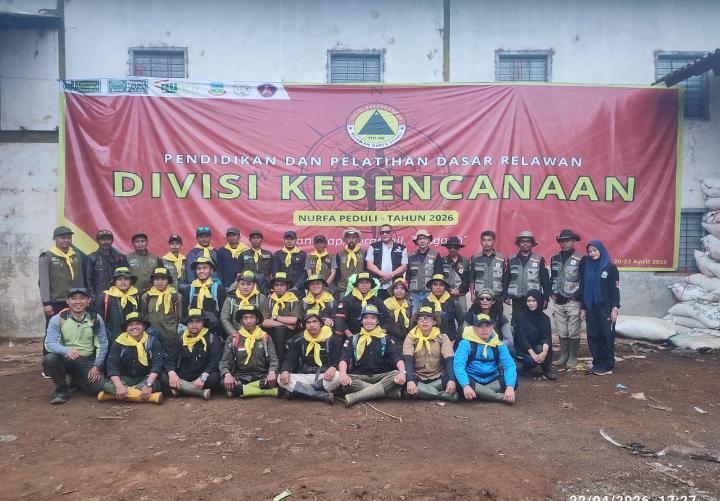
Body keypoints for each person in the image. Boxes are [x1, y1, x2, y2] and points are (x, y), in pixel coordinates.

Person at [43, 287, 108, 404]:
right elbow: (50, 343)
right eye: (73, 298)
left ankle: (77, 381)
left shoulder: (95, 318)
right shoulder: (58, 319)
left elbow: (103, 344)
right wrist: (66, 350)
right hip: (66, 357)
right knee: (50, 359)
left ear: (88, 301)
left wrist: (97, 365)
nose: (78, 302)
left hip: (87, 359)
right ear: (67, 301)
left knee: (98, 388)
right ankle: (61, 390)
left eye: (82, 298)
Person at [338, 304, 406, 407]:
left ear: (377, 321)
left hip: (381, 377)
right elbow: (344, 359)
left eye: (373, 318)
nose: (369, 321)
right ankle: (387, 393)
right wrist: (343, 374)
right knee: (346, 383)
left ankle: (355, 396)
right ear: (361, 321)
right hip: (360, 377)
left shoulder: (385, 338)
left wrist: (402, 372)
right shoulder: (353, 339)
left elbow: (397, 358)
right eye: (366, 318)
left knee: (396, 374)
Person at [278, 309, 343, 404]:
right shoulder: (299, 339)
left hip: (324, 376)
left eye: (314, 321)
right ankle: (320, 395)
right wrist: (285, 370)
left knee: (338, 376)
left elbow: (338, 358)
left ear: (321, 323)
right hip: (305, 376)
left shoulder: (332, 338)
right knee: (280, 378)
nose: (311, 325)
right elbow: (289, 359)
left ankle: (299, 392)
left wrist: (333, 367)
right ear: (304, 325)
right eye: (308, 322)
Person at [97, 312, 164, 404]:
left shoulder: (152, 341)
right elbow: (112, 366)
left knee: (155, 384)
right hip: (125, 378)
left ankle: (112, 395)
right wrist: (119, 385)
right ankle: (151, 397)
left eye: (138, 324)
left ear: (144, 326)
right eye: (130, 325)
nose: (134, 327)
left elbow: (157, 365)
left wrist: (148, 384)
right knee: (107, 386)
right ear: (126, 328)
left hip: (145, 378)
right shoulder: (119, 342)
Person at [454, 313, 517, 404]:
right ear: (474, 328)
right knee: (458, 381)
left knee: (514, 381)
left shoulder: (499, 344)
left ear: (492, 327)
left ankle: (479, 394)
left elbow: (509, 365)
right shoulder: (465, 343)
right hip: (472, 379)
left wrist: (510, 387)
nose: (484, 330)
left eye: (487, 326)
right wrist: (465, 385)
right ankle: (499, 397)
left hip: (492, 379)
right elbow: (458, 365)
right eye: (480, 326)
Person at [219, 304, 279, 398]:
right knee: (223, 382)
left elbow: (273, 359)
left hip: (262, 376)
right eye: (245, 318)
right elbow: (225, 361)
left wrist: (272, 372)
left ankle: (242, 390)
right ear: (241, 321)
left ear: (257, 320)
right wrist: (227, 374)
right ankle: (266, 392)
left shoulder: (265, 337)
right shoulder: (233, 338)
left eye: (252, 317)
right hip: (241, 376)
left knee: (277, 379)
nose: (248, 321)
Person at [163, 308, 222, 400]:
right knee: (163, 376)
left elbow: (215, 361)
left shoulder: (211, 338)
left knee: (215, 379)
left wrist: (202, 377)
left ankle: (181, 389)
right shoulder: (181, 338)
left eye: (198, 321)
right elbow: (170, 359)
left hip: (203, 374)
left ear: (203, 323)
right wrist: (172, 373)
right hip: (184, 375)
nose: (194, 325)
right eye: (191, 322)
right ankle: (199, 392)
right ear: (186, 323)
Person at [581, 240, 620, 376]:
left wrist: (615, 308)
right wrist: (583, 308)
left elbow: (615, 290)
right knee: (593, 336)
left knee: (606, 336)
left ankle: (607, 364)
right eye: (590, 251)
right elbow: (584, 288)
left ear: (601, 250)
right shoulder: (588, 267)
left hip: (605, 308)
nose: (592, 253)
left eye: (595, 250)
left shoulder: (610, 267)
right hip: (591, 307)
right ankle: (597, 362)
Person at [403, 306, 457, 402]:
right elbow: (408, 360)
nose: (424, 321)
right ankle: (441, 395)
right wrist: (410, 380)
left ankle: (422, 392)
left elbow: (449, 360)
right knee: (404, 383)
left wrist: (452, 380)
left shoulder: (443, 337)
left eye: (428, 318)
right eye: (421, 319)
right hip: (418, 376)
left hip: (437, 377)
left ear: (434, 322)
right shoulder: (411, 337)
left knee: (451, 378)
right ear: (417, 322)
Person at [39, 226, 84, 331]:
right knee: (53, 331)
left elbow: (80, 279)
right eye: (63, 238)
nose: (66, 240)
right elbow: (43, 282)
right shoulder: (47, 256)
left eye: (69, 237)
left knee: (73, 331)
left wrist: (82, 299)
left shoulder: (75, 256)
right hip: (56, 301)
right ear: (55, 239)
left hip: (74, 301)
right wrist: (46, 303)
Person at [550, 229, 584, 368]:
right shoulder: (555, 258)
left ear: (573, 241)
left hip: (573, 300)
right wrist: (552, 292)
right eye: (561, 241)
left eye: (567, 240)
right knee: (562, 330)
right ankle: (564, 355)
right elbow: (553, 277)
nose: (564, 243)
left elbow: (584, 280)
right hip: (558, 301)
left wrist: (577, 296)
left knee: (573, 329)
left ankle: (573, 356)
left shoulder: (581, 258)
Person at [502, 230, 550, 326]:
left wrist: (545, 298)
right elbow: (506, 279)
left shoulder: (539, 259)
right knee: (516, 323)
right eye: (522, 241)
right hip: (517, 298)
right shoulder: (511, 259)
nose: (525, 243)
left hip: (533, 299)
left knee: (534, 323)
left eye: (528, 241)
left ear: (532, 244)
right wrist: (505, 295)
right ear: (518, 244)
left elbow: (545, 280)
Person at [513, 290, 556, 380]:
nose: (531, 303)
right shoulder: (521, 316)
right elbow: (522, 338)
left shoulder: (545, 318)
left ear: (539, 301)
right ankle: (524, 369)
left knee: (541, 348)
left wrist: (544, 353)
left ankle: (547, 370)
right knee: (529, 361)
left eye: (534, 300)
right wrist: (533, 354)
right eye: (529, 301)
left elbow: (547, 337)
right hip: (522, 348)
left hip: (536, 346)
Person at [140, 267, 182, 359]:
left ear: (168, 281)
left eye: (163, 279)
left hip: (170, 336)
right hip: (152, 336)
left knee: (170, 360)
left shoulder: (176, 296)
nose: (160, 282)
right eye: (156, 279)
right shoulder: (146, 296)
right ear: (152, 281)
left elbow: (180, 318)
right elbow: (143, 316)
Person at [261, 271, 301, 362]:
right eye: (276, 285)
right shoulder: (269, 300)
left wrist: (275, 317)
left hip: (290, 333)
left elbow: (293, 321)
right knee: (279, 329)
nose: (279, 288)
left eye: (282, 285)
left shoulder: (294, 300)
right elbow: (264, 322)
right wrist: (285, 324)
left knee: (280, 330)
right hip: (271, 331)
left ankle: (281, 363)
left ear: (287, 286)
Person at [334, 272, 389, 337]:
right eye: (361, 282)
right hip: (351, 336)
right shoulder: (346, 300)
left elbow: (387, 320)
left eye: (367, 282)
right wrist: (351, 337)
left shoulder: (377, 301)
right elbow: (341, 321)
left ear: (371, 285)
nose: (364, 285)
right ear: (357, 284)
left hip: (374, 336)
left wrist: (379, 335)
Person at [96, 267, 139, 346]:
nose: (123, 282)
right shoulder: (104, 297)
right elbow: (99, 321)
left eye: (126, 279)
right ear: (114, 281)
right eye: (119, 279)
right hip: (112, 341)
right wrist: (109, 336)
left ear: (131, 281)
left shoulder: (136, 296)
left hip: (133, 339)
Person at [184, 256, 226, 336]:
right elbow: (185, 314)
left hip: (213, 332)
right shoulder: (189, 290)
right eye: (198, 268)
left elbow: (223, 315)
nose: (201, 271)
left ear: (211, 270)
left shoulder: (219, 289)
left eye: (205, 268)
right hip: (193, 332)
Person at [465, 289, 514, 356]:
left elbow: (509, 340)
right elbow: (464, 336)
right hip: (475, 349)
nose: (485, 301)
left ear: (493, 301)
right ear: (478, 301)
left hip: (496, 349)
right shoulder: (470, 315)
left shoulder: (501, 317)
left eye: (488, 299)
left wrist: (492, 348)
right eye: (482, 298)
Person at [83, 229, 128, 303]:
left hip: (119, 297)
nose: (106, 242)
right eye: (103, 240)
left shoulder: (120, 257)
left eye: (108, 239)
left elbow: (127, 278)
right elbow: (88, 281)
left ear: (112, 241)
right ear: (98, 241)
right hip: (99, 297)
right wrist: (93, 298)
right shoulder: (91, 258)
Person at [365, 224, 408, 300]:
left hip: (395, 287)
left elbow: (404, 266)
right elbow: (369, 265)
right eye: (382, 232)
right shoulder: (373, 247)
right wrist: (382, 274)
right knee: (376, 306)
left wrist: (390, 275)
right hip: (377, 285)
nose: (384, 234)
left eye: (387, 232)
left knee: (394, 306)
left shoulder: (402, 248)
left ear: (392, 233)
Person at [220, 270, 267, 337]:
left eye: (248, 284)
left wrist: (253, 332)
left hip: (256, 334)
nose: (245, 287)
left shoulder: (261, 298)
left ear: (254, 285)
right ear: (238, 284)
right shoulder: (231, 299)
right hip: (235, 333)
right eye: (242, 284)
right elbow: (224, 318)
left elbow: (265, 318)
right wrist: (234, 333)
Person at [419, 274, 464, 342]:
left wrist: (456, 339)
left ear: (445, 287)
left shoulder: (453, 302)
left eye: (441, 285)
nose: (438, 287)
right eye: (435, 284)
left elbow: (462, 323)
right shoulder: (424, 302)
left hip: (450, 340)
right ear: (431, 287)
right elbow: (417, 322)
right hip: (429, 340)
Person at [469, 230, 505, 302]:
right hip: (480, 295)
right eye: (484, 240)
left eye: (489, 240)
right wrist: (472, 294)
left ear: (494, 242)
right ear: (480, 242)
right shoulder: (475, 258)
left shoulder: (501, 258)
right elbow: (472, 278)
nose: (486, 243)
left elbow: (504, 279)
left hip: (496, 295)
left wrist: (505, 295)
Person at [437, 236, 470, 313]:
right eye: (450, 247)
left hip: (460, 295)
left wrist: (459, 290)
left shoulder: (465, 261)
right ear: (447, 248)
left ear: (459, 248)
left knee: (463, 317)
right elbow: (439, 279)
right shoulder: (442, 261)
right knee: (446, 316)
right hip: (445, 294)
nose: (452, 249)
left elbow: (467, 279)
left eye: (455, 247)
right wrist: (448, 290)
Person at [407, 229, 439, 306]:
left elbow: (438, 273)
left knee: (430, 312)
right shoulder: (411, 256)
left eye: (424, 238)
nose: (422, 241)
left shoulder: (435, 254)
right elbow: (408, 275)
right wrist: (407, 290)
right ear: (417, 242)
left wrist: (436, 290)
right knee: (414, 313)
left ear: (429, 240)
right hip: (414, 293)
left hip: (429, 292)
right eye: (420, 239)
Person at [272, 230, 307, 294]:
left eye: (291, 239)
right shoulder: (278, 254)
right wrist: (282, 286)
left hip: (298, 289)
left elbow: (304, 273)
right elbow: (275, 272)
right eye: (287, 239)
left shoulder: (302, 254)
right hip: (282, 289)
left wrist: (296, 286)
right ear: (284, 240)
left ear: (296, 240)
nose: (289, 241)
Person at [333, 227, 366, 296]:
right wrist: (339, 283)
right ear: (345, 239)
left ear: (357, 239)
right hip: (344, 288)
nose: (351, 240)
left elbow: (366, 269)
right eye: (348, 237)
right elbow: (337, 272)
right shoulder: (339, 253)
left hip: (360, 288)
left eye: (353, 237)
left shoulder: (363, 252)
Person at [239, 229, 273, 295]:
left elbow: (272, 274)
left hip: (265, 285)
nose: (255, 240)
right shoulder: (243, 254)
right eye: (253, 238)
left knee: (264, 300)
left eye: (258, 238)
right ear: (249, 240)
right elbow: (238, 273)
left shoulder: (268, 254)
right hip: (248, 285)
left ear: (262, 240)